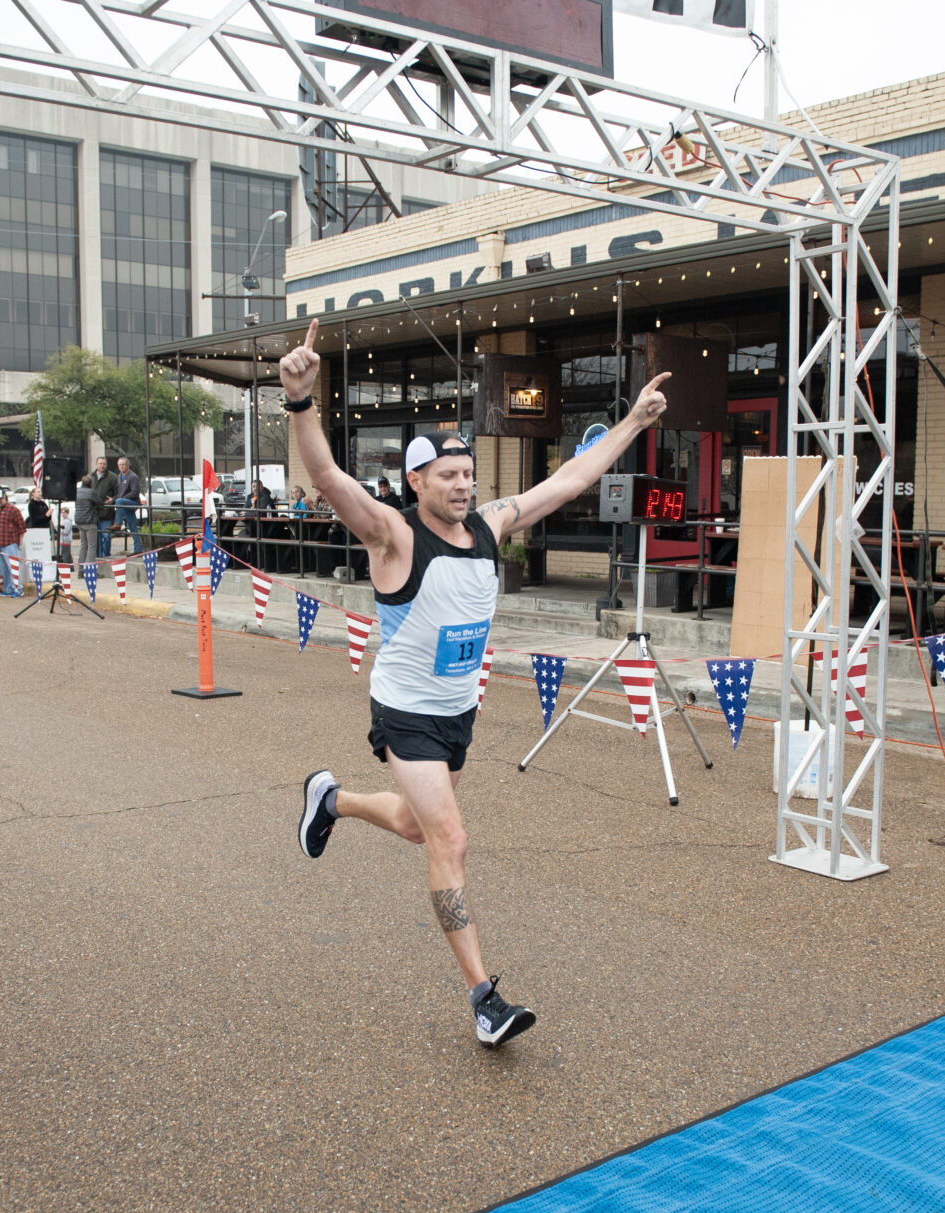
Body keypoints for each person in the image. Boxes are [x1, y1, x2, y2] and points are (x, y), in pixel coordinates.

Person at [284, 317, 671, 1048]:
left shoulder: (491, 526)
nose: (462, 486)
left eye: (468, 475)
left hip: (459, 711)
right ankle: (484, 998)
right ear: (416, 482)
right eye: (447, 477)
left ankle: (329, 797)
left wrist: (630, 422)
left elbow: (572, 478)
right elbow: (328, 479)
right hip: (405, 712)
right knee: (451, 842)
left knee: (411, 825)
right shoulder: (392, 535)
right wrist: (302, 404)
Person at [0, 488, 26, 596]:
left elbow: (22, 527)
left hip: (10, 543)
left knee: (12, 567)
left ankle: (19, 589)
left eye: (0, 499)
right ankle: (9, 589)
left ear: (5, 498)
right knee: (4, 569)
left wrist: (19, 543)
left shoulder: (13, 509)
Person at [91, 457, 118, 557]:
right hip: (94, 513)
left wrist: (113, 500)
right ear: (96, 464)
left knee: (107, 536)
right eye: (100, 464)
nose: (102, 466)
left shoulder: (113, 477)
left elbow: (118, 493)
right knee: (97, 537)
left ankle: (106, 555)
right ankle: (98, 557)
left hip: (107, 513)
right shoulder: (90, 477)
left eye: (104, 464)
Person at [115, 458, 142, 554]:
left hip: (132, 502)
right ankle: (138, 549)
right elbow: (118, 492)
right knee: (132, 526)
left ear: (127, 465)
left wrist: (123, 498)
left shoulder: (133, 476)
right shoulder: (119, 476)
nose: (121, 466)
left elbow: (135, 492)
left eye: (123, 464)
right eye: (119, 465)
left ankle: (118, 523)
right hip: (123, 503)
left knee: (119, 501)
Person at [73, 477, 98, 564]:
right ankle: (88, 569)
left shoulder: (76, 491)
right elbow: (100, 503)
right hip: (89, 521)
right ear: (90, 483)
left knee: (83, 546)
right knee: (92, 546)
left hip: (79, 520)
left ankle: (81, 570)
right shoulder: (91, 492)